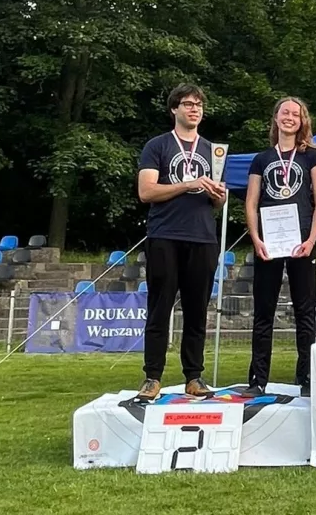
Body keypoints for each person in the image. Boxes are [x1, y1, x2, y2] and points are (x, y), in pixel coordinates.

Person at [135, 84, 227, 401]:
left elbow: (215, 202)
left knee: (196, 310)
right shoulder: (157, 146)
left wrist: (219, 196)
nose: (194, 109)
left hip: (202, 237)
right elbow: (146, 192)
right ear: (174, 109)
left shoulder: (212, 150)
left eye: (199, 104)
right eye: (187, 104)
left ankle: (194, 376)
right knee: (160, 308)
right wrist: (188, 183)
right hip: (165, 235)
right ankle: (152, 377)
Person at [245, 97, 316, 396]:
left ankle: (306, 377)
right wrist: (256, 238)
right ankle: (257, 379)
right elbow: (251, 203)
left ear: (302, 120)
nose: (290, 118)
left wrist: (311, 240)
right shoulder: (262, 159)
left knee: (305, 312)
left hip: (301, 243)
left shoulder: (312, 157)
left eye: (296, 114)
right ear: (276, 118)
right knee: (263, 311)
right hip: (268, 243)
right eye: (285, 112)